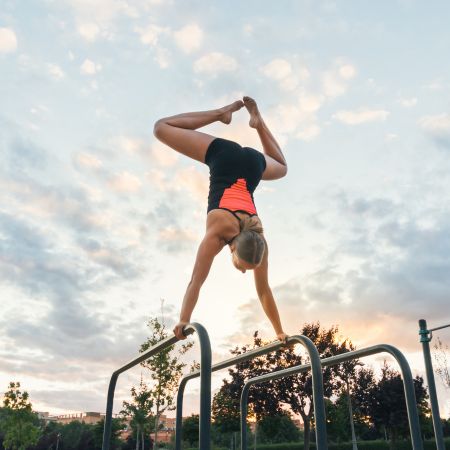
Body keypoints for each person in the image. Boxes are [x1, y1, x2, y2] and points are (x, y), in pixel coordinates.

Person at [153, 96, 289, 343]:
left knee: (281, 167)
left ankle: (257, 123)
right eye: (243, 265)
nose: (244, 272)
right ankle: (221, 113)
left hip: (252, 165)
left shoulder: (259, 239)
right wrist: (183, 319)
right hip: (224, 156)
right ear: (234, 248)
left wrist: (280, 332)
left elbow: (264, 291)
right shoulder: (216, 235)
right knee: (161, 128)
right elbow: (196, 279)